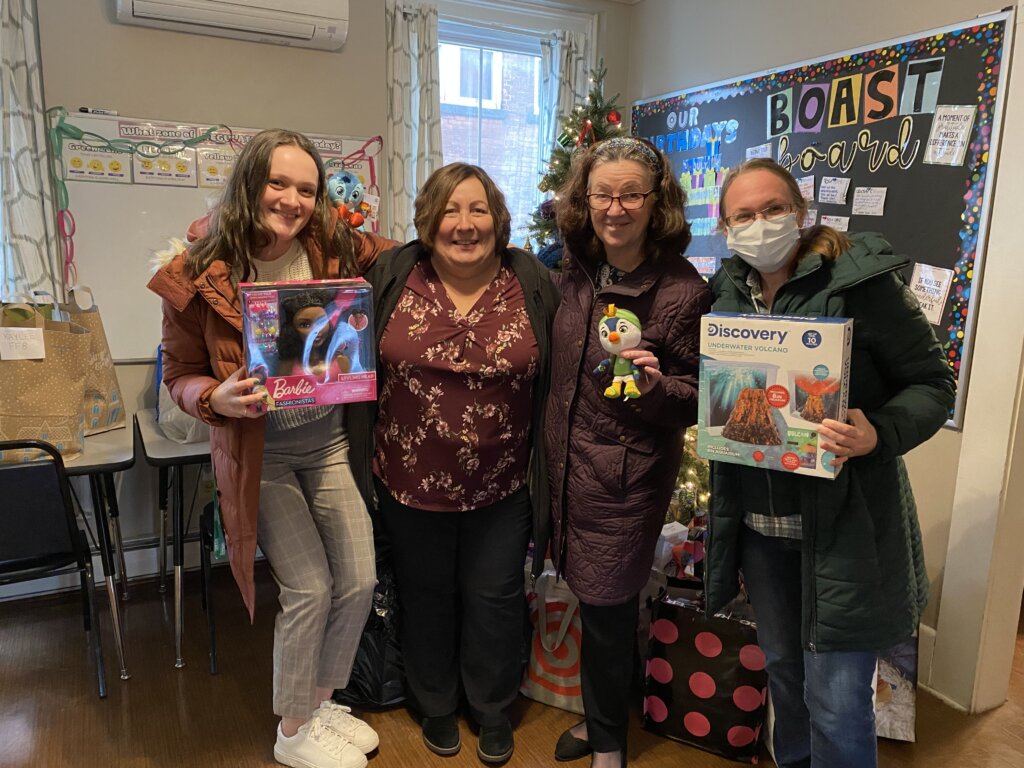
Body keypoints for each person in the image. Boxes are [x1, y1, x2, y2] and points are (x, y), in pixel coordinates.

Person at [148, 128, 397, 768]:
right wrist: (214, 398)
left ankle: (315, 703)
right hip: (265, 456)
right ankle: (292, 733)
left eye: (307, 189)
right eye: (277, 183)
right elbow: (178, 374)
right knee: (311, 586)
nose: (291, 200)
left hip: (330, 444)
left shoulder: (333, 246)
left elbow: (406, 252)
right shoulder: (197, 272)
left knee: (360, 577)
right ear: (249, 184)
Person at [705, 158, 956, 768]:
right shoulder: (726, 290)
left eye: (773, 210)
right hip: (763, 535)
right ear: (725, 225)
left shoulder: (860, 283)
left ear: (800, 212)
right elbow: (724, 394)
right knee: (787, 684)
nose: (760, 224)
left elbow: (933, 384)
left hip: (844, 532)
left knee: (840, 702)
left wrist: (880, 431)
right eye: (744, 215)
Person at [347, 163, 559, 764]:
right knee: (426, 594)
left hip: (502, 484)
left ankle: (491, 707)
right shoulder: (391, 274)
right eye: (450, 211)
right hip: (407, 482)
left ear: (498, 218)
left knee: (494, 598)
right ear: (427, 220)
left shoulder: (533, 281)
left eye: (478, 210)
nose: (464, 225)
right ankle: (435, 702)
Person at [545, 136, 712, 768]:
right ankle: (600, 720)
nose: (615, 209)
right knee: (591, 605)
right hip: (562, 467)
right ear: (583, 200)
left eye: (631, 194)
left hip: (624, 478)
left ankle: (608, 748)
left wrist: (650, 386)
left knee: (609, 611)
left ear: (656, 200)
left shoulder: (682, 291)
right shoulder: (570, 268)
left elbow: (698, 397)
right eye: (602, 194)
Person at [276, 289, 353, 379]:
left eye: (321, 322)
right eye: (305, 325)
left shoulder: (341, 362)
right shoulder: (288, 366)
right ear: (293, 330)